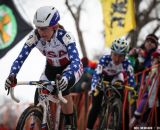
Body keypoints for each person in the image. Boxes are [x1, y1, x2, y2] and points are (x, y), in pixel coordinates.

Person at [5, 6, 83, 130]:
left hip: (71, 68)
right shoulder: (34, 37)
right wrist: (12, 74)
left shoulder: (65, 37)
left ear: (54, 26)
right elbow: (20, 58)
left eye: (44, 29)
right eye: (38, 28)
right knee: (38, 96)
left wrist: (67, 77)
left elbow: (75, 60)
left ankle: (69, 124)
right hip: (50, 69)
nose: (41, 32)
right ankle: (40, 117)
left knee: (62, 86)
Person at [86, 38, 136, 130]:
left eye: (121, 56)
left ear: (125, 56)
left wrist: (133, 91)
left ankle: (117, 112)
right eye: (115, 55)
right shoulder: (105, 59)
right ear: (111, 53)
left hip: (116, 78)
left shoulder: (127, 62)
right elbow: (97, 74)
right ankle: (88, 127)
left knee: (122, 100)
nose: (117, 59)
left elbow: (131, 78)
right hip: (103, 78)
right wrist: (93, 88)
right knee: (96, 105)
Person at [129, 49, 160, 128]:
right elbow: (147, 91)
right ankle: (137, 120)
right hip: (151, 104)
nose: (153, 62)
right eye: (152, 59)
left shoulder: (155, 70)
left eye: (155, 59)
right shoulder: (152, 71)